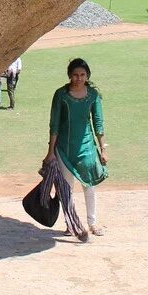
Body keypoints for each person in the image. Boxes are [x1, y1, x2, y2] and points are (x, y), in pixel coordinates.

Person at [43, 58, 108, 237]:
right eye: (75, 75)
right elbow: (54, 124)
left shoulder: (93, 95)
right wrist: (50, 153)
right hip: (64, 148)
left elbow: (98, 123)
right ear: (70, 76)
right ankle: (70, 223)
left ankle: (92, 223)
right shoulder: (61, 95)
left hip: (87, 147)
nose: (79, 78)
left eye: (82, 75)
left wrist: (103, 149)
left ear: (87, 76)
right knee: (66, 188)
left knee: (89, 186)